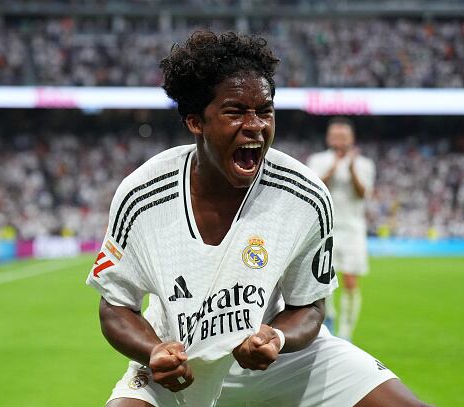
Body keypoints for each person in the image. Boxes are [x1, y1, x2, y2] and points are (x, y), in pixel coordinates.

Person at [87, 31, 429, 407]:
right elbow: (115, 306)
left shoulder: (305, 195)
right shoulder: (142, 194)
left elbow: (310, 306)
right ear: (196, 122)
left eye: (264, 110)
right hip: (179, 361)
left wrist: (276, 337)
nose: (255, 125)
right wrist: (152, 350)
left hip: (283, 360)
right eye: (235, 112)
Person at [306, 117, 376, 341]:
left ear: (351, 138)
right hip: (325, 228)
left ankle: (346, 333)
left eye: (343, 136)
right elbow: (314, 188)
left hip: (353, 229)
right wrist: (333, 168)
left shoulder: (363, 164)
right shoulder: (317, 160)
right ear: (328, 138)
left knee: (350, 281)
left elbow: (363, 193)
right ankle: (330, 320)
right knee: (323, 280)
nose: (339, 140)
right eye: (335, 136)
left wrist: (352, 168)